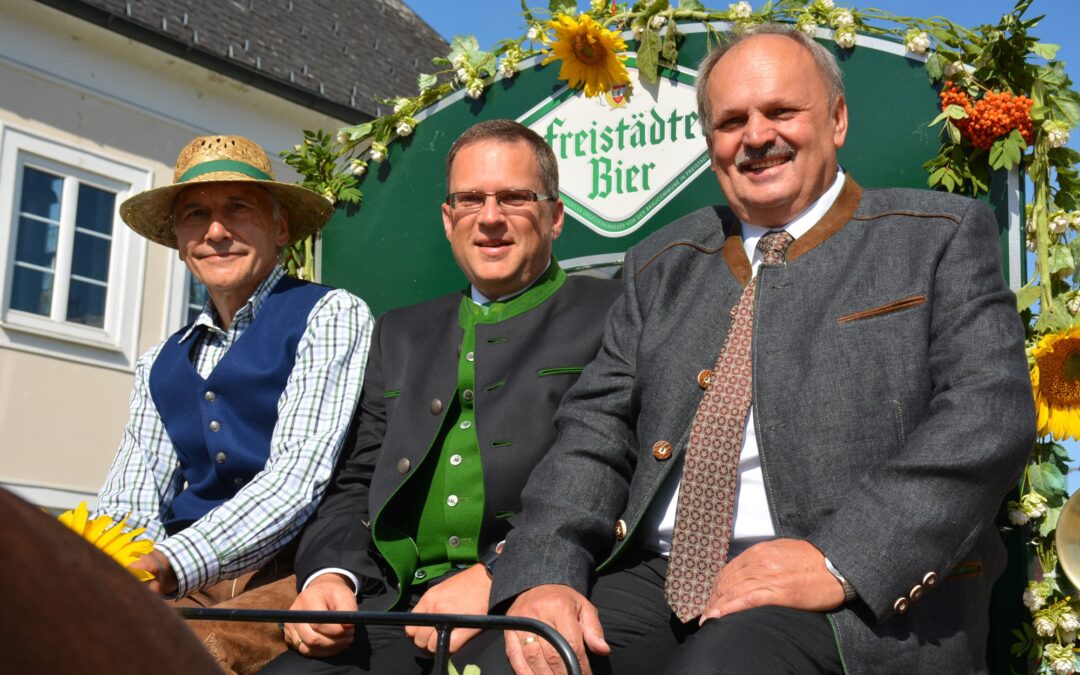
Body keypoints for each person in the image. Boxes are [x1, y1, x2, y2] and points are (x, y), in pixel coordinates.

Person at [474, 25, 1035, 675]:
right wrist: (546, 574)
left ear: (837, 118)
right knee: (505, 660)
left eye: (780, 111)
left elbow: (988, 414)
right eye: (731, 120)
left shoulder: (934, 238)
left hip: (850, 599)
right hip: (660, 579)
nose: (756, 136)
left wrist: (842, 557)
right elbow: (592, 435)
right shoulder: (660, 265)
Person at [261, 119, 620, 674]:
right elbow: (356, 480)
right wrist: (330, 575)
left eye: (515, 198)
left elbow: (620, 475)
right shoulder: (400, 332)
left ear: (555, 216)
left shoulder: (614, 314)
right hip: (388, 606)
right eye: (470, 199)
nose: (491, 218)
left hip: (524, 601)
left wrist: (501, 571)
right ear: (449, 219)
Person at [96, 135, 373, 672]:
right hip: (185, 580)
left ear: (281, 228)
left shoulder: (329, 315)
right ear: (180, 241)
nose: (216, 232)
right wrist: (115, 568)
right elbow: (131, 494)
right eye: (196, 214)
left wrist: (171, 563)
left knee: (175, 655)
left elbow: (298, 479)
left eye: (237, 209)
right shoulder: (160, 360)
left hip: (294, 570)